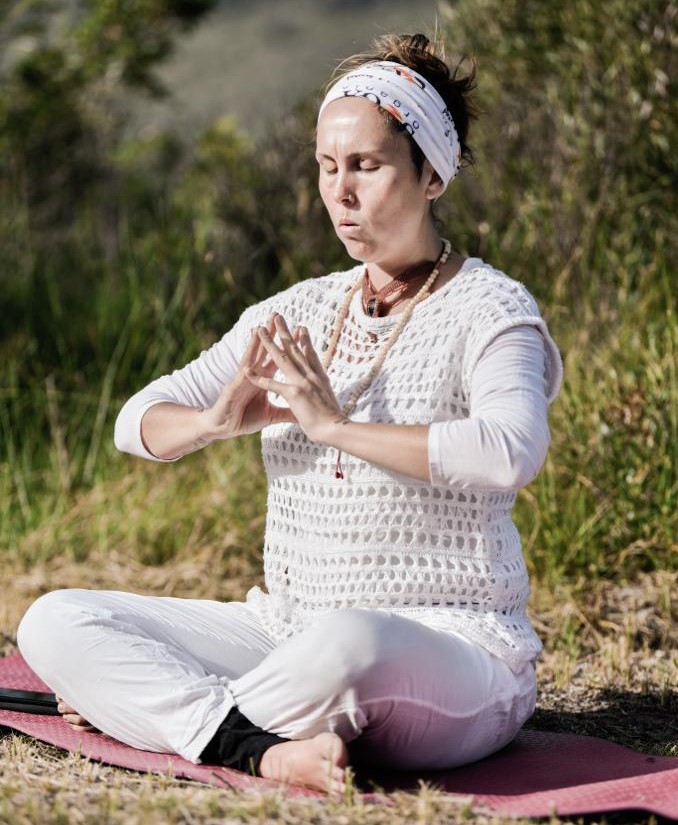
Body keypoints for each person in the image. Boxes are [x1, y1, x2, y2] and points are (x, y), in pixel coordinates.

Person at [17, 33, 562, 794]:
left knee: (352, 641)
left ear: (431, 174)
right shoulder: (297, 309)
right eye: (326, 166)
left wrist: (334, 426)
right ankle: (261, 747)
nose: (340, 192)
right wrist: (216, 421)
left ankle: (166, 719)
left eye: (365, 167)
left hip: (453, 652)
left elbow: (511, 450)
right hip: (288, 635)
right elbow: (134, 420)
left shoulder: (490, 308)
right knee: (54, 620)